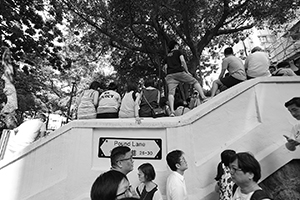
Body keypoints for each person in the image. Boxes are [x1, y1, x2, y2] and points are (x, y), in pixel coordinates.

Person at [163, 40, 207, 117]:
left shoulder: (167, 56)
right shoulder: (178, 52)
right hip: (179, 72)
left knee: (171, 93)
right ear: (175, 46)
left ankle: (172, 111)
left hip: (170, 75)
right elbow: (183, 61)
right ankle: (203, 97)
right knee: (194, 81)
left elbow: (165, 68)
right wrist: (187, 71)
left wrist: (168, 74)